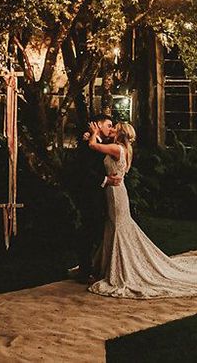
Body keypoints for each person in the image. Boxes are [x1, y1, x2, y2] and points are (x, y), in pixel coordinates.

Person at [86, 122, 197, 299]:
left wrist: (93, 132)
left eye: (115, 128)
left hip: (116, 192)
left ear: (120, 134)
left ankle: (120, 267)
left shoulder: (117, 149)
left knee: (119, 226)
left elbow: (94, 146)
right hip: (114, 191)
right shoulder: (123, 149)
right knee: (116, 226)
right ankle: (109, 265)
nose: (111, 130)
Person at [71, 113, 122, 283]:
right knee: (89, 231)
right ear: (98, 125)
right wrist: (106, 180)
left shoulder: (102, 143)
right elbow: (85, 172)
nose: (111, 128)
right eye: (108, 125)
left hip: (100, 195)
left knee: (97, 230)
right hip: (89, 194)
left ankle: (92, 266)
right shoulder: (88, 144)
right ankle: (85, 271)